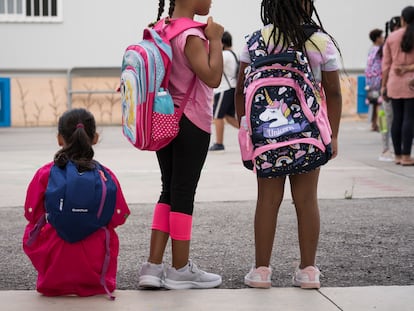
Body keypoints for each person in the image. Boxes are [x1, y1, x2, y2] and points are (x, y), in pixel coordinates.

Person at [235, 0, 342, 289]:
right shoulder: (319, 41)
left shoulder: (255, 41)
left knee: (267, 201)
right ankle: (308, 270)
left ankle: (261, 271)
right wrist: (333, 136)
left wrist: (248, 132)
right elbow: (333, 93)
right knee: (306, 200)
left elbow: (241, 90)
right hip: (308, 137)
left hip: (267, 139)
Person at [138, 0, 224, 289]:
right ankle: (179, 269)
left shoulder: (160, 29)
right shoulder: (192, 35)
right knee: (184, 192)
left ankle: (152, 266)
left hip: (163, 118)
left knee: (168, 189)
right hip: (192, 121)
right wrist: (215, 39)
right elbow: (212, 78)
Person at [22, 108, 130, 297]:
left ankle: (54, 277)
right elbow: (117, 218)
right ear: (95, 138)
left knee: (34, 227)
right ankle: (95, 279)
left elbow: (32, 214)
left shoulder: (45, 174)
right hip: (95, 259)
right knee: (106, 230)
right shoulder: (106, 176)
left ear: (59, 139)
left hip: (54, 258)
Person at [381, 6, 414, 166]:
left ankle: (398, 156)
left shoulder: (392, 37)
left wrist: (383, 86)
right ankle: (407, 156)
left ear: (403, 19)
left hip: (394, 81)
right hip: (411, 83)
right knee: (409, 118)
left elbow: (385, 65)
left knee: (397, 119)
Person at [209, 31, 239, 152]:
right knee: (228, 117)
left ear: (222, 43)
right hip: (233, 88)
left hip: (224, 89)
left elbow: (213, 67)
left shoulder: (224, 55)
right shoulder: (235, 54)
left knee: (217, 116)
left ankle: (219, 143)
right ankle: (249, 134)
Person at [377, 16, 402, 162]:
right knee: (386, 119)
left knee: (395, 119)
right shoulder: (388, 44)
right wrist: (381, 87)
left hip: (390, 86)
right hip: (386, 87)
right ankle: (386, 148)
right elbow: (382, 68)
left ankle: (395, 148)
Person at [365, 29, 385, 132]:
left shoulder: (371, 49)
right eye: (381, 37)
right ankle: (381, 125)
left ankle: (374, 124)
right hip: (378, 79)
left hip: (370, 79)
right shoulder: (380, 49)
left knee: (374, 103)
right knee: (379, 103)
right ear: (377, 38)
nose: (383, 39)